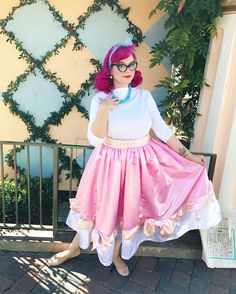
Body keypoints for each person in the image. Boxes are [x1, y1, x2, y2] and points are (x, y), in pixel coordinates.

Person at [48, 39, 222, 276]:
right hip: (109, 164)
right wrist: (104, 110)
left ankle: (117, 254)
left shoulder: (143, 97)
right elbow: (95, 139)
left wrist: (189, 155)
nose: (128, 71)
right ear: (109, 69)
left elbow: (162, 130)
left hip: (140, 164)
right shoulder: (100, 99)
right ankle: (74, 248)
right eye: (122, 66)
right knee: (97, 208)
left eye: (132, 65)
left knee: (125, 211)